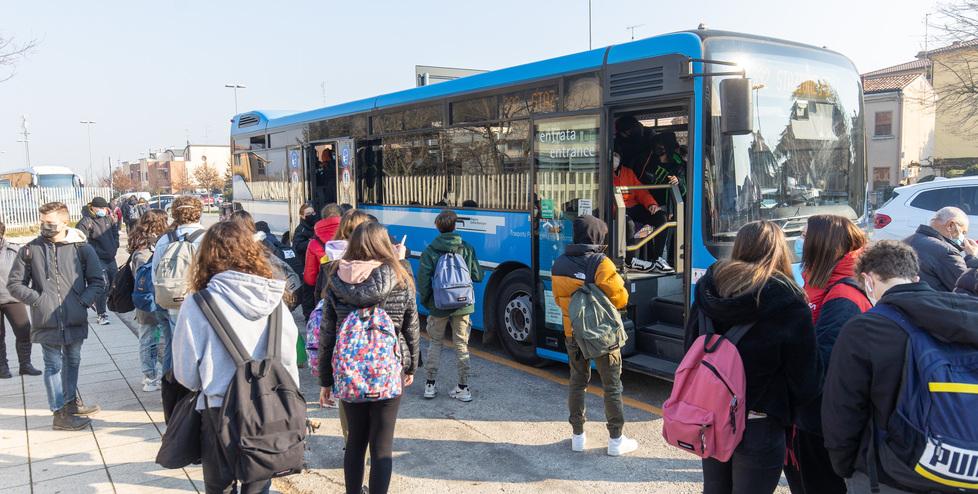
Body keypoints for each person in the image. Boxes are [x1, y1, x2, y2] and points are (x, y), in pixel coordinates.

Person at [822, 241, 978, 493]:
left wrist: (846, 466)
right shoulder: (966, 315)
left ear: (868, 281)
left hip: (891, 473)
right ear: (915, 277)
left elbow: (842, 408)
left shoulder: (865, 329)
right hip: (965, 467)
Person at [685, 220, 821, 494]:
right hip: (760, 423)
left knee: (714, 489)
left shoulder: (709, 289)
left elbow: (691, 347)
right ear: (779, 251)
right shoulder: (789, 301)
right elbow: (806, 381)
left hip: (712, 416)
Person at [172, 220, 300, 494]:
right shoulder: (275, 300)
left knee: (220, 487)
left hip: (219, 410)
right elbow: (288, 364)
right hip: (268, 410)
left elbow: (186, 374)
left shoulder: (198, 303)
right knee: (259, 483)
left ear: (207, 256)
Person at [318, 222, 420, 494]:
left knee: (355, 442)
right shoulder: (401, 275)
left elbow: (327, 333)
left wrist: (326, 381)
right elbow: (411, 325)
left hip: (350, 374)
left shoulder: (335, 276)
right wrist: (410, 365)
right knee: (382, 447)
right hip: (388, 369)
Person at [784, 215, 871, 494]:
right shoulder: (824, 284)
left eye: (805, 236)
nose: (800, 242)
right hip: (815, 417)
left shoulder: (842, 296)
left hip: (820, 422)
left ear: (822, 245)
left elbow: (822, 366)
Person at [6, 202, 105, 430]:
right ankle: (58, 413)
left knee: (73, 360)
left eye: (49, 223)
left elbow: (97, 281)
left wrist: (82, 302)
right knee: (53, 365)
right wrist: (39, 300)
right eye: (42, 222)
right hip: (46, 319)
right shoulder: (30, 250)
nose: (44, 227)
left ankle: (70, 404)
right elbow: (14, 284)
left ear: (64, 222)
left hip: (74, 317)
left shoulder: (82, 248)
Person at [552, 215, 637, 456]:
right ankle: (616, 440)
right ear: (598, 236)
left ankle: (578, 437)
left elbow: (559, 301)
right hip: (602, 336)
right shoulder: (602, 264)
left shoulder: (559, 264)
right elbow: (621, 298)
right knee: (612, 386)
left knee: (577, 383)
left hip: (572, 333)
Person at [417, 210, 484, 402]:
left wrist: (429, 301)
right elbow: (477, 275)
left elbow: (423, 279)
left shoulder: (431, 249)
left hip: (438, 305)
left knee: (435, 343)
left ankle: (430, 385)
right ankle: (463, 387)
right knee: (461, 345)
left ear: (438, 227)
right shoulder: (467, 248)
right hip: (463, 306)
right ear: (455, 226)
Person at [151, 195, 205, 374]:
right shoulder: (208, 238)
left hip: (173, 303)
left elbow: (155, 275)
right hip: (202, 303)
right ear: (199, 213)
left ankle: (176, 391)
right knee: (202, 348)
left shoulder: (164, 240)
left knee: (177, 347)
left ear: (175, 214)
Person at [128, 209, 170, 392]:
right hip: (149, 301)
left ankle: (151, 374)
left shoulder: (141, 245)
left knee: (150, 338)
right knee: (148, 339)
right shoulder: (144, 251)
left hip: (146, 300)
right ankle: (150, 376)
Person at [612, 151, 671, 273]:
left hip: (633, 206)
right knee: (629, 224)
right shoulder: (603, 174)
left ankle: (658, 258)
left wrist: (651, 204)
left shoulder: (627, 172)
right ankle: (630, 260)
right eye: (613, 156)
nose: (615, 159)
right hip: (615, 209)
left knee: (661, 218)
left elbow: (641, 191)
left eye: (617, 156)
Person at [0, 219, 41, 378]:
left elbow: (26, 271)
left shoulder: (14, 250)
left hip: (12, 298)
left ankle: (25, 364)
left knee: (24, 331)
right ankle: (2, 367)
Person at [904, 206, 978, 292]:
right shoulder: (947, 251)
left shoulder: (905, 242)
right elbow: (969, 287)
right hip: (933, 303)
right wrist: (972, 257)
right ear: (951, 226)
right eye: (963, 232)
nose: (964, 238)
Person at [76, 196, 121, 326]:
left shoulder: (109, 218)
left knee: (113, 282)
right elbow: (80, 241)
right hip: (96, 258)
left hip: (110, 257)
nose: (103, 210)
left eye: (104, 208)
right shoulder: (86, 222)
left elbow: (115, 233)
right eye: (100, 208)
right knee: (102, 284)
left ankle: (96, 300)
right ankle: (102, 314)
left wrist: (115, 245)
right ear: (93, 208)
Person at [303, 203, 343, 289]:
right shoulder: (354, 236)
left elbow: (310, 278)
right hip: (352, 292)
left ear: (323, 218)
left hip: (326, 291)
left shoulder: (314, 243)